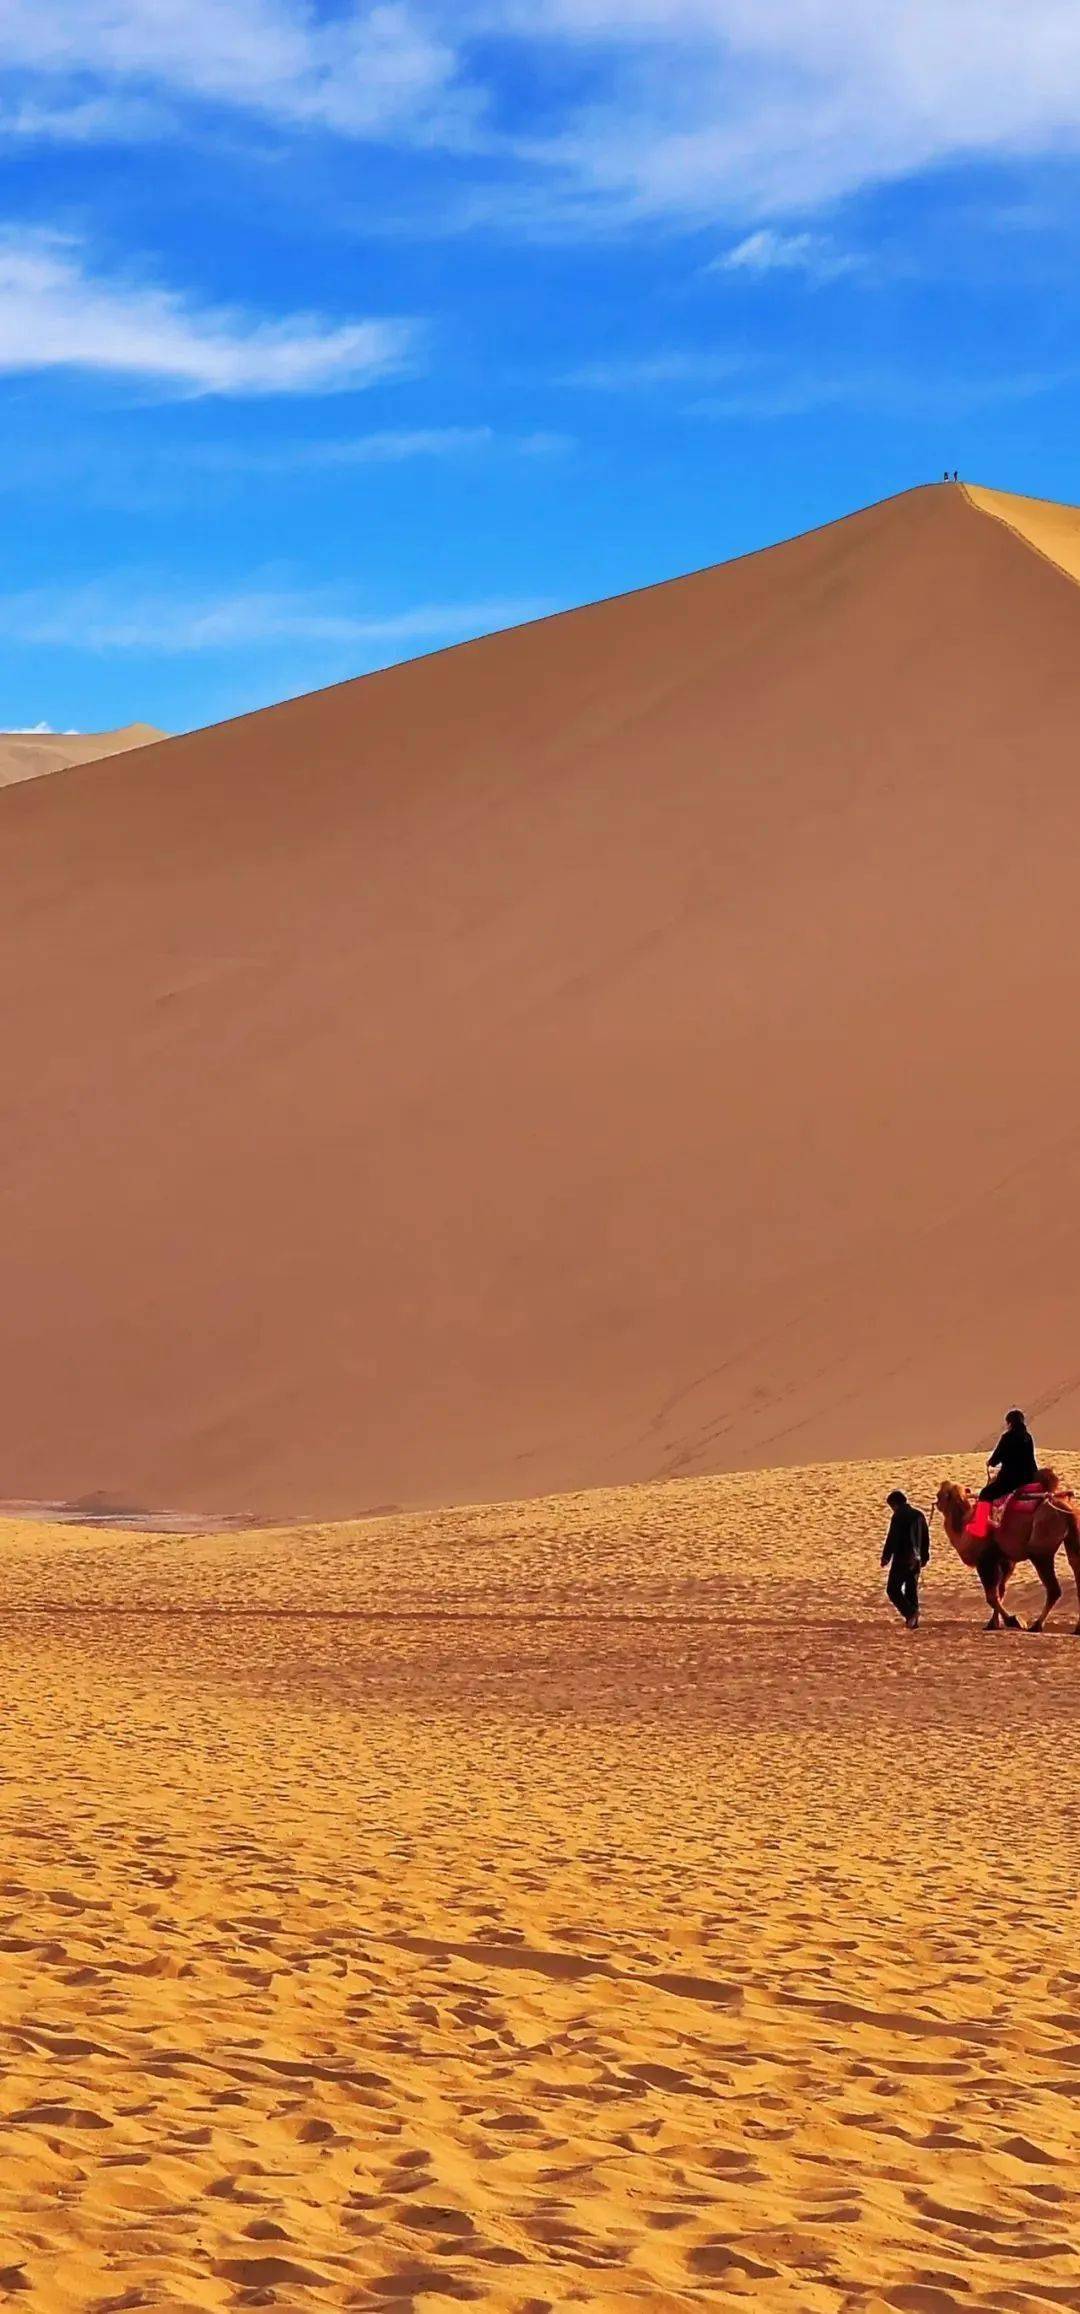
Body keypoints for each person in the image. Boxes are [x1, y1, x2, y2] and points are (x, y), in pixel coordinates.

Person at [881, 1489, 931, 1628]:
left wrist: (886, 1557)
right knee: (911, 1588)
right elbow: (926, 1537)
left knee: (892, 1589)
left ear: (894, 1504)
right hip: (917, 1558)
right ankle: (913, 1620)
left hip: (902, 1557)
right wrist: (925, 1556)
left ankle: (910, 1613)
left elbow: (892, 1538)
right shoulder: (919, 1515)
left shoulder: (898, 1516)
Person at [979, 1409, 1038, 1505]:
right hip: (1030, 1477)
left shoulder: (1007, 1437)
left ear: (1010, 1423)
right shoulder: (1028, 1437)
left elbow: (996, 1459)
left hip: (1012, 1480)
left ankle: (981, 1520)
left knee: (985, 1494)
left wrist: (990, 1462)